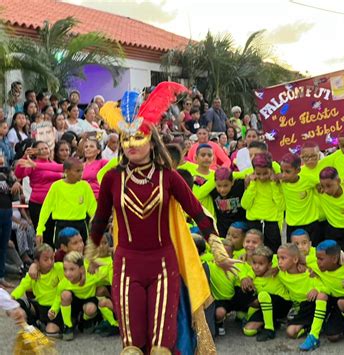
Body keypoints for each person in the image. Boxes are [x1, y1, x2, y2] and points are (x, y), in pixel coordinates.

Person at [90, 83, 235, 354]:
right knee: (132, 347)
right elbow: (99, 218)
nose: (131, 144)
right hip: (127, 265)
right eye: (126, 139)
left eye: (139, 137)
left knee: (161, 347)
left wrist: (217, 248)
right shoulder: (112, 178)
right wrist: (91, 250)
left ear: (152, 139)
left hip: (163, 265)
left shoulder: (168, 177)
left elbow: (197, 212)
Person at [36, 157, 97, 246]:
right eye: (77, 171)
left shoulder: (85, 186)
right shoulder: (56, 187)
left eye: (81, 171)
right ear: (66, 171)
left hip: (80, 225)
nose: (81, 174)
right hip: (62, 225)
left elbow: (93, 208)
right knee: (62, 256)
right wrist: (40, 230)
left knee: (81, 256)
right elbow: (46, 208)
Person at [48, 251, 107, 340]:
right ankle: (68, 326)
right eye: (65, 269)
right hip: (75, 303)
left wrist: (96, 263)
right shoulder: (63, 283)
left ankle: (85, 320)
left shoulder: (91, 275)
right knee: (65, 294)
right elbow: (58, 298)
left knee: (91, 308)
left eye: (72, 269)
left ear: (81, 269)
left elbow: (108, 268)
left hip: (89, 300)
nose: (67, 273)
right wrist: (53, 310)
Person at [11, 244, 64, 336]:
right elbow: (22, 286)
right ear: (37, 262)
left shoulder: (58, 268)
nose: (50, 262)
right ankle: (34, 324)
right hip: (39, 306)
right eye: (46, 259)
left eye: (52, 258)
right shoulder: (32, 274)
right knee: (20, 302)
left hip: (55, 308)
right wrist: (11, 298)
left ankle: (49, 324)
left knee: (51, 332)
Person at [242, 245, 292, 342]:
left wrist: (277, 267)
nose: (256, 266)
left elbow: (282, 258)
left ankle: (269, 329)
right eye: (254, 263)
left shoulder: (277, 272)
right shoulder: (251, 276)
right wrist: (245, 277)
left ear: (269, 264)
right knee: (248, 330)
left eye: (261, 264)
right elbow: (243, 271)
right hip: (266, 308)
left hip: (282, 305)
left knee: (263, 295)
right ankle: (273, 322)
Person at [241, 153, 284, 253]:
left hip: (272, 222)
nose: (262, 177)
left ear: (271, 170)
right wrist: (251, 185)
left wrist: (274, 184)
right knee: (253, 252)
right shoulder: (252, 182)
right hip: (254, 222)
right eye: (258, 174)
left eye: (265, 173)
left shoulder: (276, 182)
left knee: (272, 252)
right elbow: (245, 205)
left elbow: (281, 206)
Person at [279, 153, 322, 245]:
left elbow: (320, 184)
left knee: (312, 251)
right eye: (281, 171)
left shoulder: (308, 180)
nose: (283, 175)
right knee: (293, 253)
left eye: (287, 171)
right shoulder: (281, 183)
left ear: (298, 170)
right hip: (292, 224)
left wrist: (319, 187)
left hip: (311, 223)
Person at [0, 153, 21, 288]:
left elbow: (15, 184)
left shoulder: (6, 171)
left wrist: (16, 183)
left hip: (7, 211)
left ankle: (1, 276)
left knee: (3, 247)